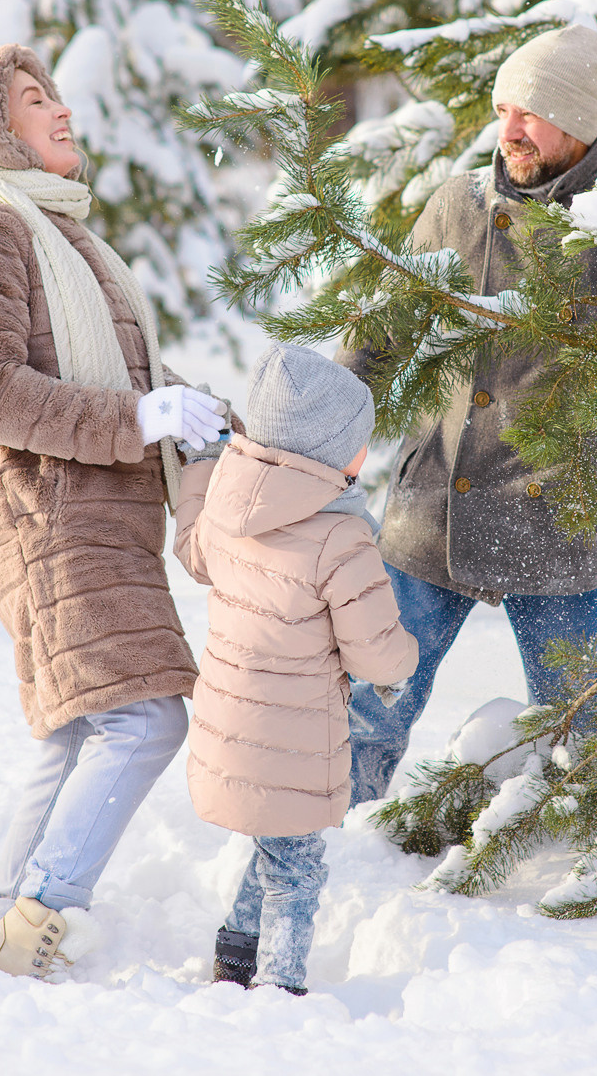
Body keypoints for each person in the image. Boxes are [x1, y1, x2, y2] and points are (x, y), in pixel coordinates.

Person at [0, 43, 229, 978]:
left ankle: (3, 920)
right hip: (50, 521)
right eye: (33, 97)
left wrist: (223, 420)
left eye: (55, 92)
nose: (63, 110)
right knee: (146, 721)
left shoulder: (58, 230)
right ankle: (46, 906)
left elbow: (130, 379)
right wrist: (142, 416)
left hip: (100, 514)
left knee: (81, 724)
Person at [341, 24, 597, 804]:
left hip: (558, 519)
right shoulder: (457, 204)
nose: (509, 129)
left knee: (577, 725)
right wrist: (336, 425)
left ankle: (588, 854)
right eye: (503, 108)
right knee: (369, 707)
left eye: (532, 112)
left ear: (580, 125)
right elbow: (378, 331)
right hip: (434, 511)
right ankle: (334, 837)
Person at [172, 345, 418, 994]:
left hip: (229, 720)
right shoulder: (341, 533)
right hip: (295, 735)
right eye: (358, 442)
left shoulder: (228, 500)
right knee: (298, 869)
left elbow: (194, 553)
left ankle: (234, 947)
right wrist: (401, 664)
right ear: (332, 452)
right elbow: (373, 646)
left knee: (278, 843)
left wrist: (200, 466)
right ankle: (279, 989)